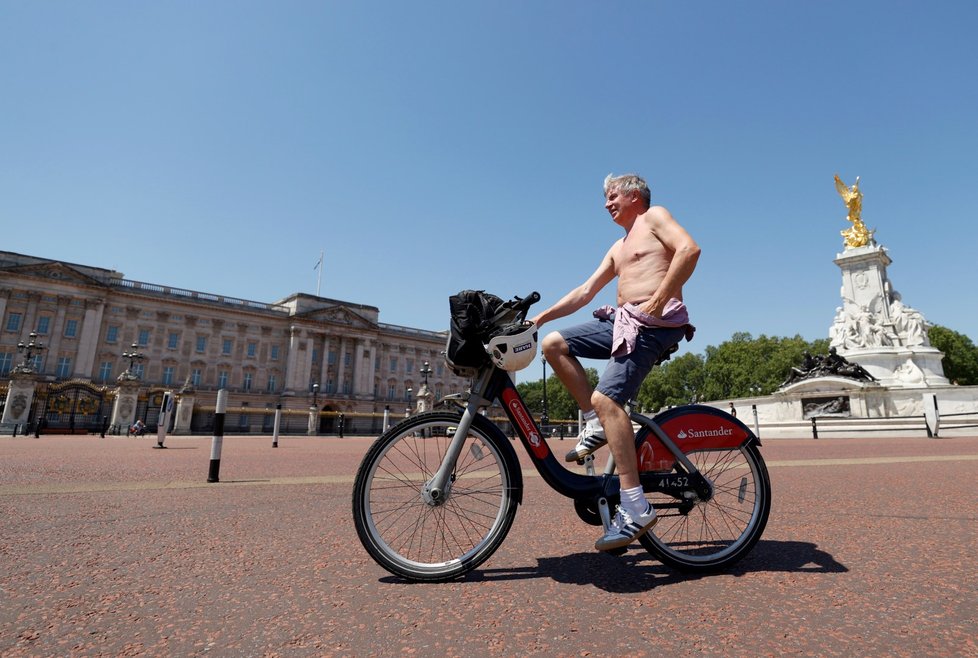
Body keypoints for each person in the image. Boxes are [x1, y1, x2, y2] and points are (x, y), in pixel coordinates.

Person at [531, 173, 700, 551]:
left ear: (634, 195)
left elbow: (689, 250)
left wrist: (659, 298)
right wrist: (542, 318)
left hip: (653, 324)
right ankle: (595, 424)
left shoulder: (654, 217)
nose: (606, 204)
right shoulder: (618, 245)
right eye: (605, 199)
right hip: (622, 322)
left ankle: (636, 507)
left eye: (612, 196)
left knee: (607, 399)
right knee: (554, 344)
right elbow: (585, 292)